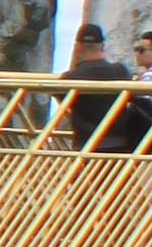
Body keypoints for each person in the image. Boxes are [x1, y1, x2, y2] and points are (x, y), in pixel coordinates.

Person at [57, 24, 135, 154]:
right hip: (119, 143)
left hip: (87, 145)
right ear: (103, 46)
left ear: (77, 47)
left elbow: (60, 96)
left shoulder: (70, 78)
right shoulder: (120, 71)